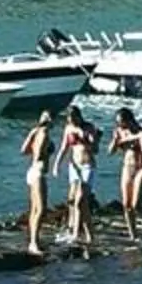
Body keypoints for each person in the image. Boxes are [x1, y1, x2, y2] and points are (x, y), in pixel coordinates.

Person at [53, 108, 98, 254]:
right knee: (72, 200)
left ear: (79, 117)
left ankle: (82, 234)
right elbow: (64, 148)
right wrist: (56, 165)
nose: (72, 122)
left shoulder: (88, 128)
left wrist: (88, 138)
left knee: (80, 200)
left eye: (74, 119)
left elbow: (95, 149)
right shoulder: (68, 128)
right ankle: (79, 231)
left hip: (87, 166)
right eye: (69, 119)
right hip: (74, 167)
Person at [109, 109, 142, 238]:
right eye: (118, 123)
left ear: (129, 120)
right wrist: (116, 140)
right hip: (127, 168)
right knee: (126, 205)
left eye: (122, 122)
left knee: (135, 205)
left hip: (140, 168)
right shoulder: (119, 132)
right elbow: (110, 152)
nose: (120, 125)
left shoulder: (140, 132)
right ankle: (133, 234)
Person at [21, 113, 55, 256]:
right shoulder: (44, 132)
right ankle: (33, 243)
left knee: (34, 209)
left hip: (32, 171)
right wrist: (44, 152)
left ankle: (33, 239)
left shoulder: (34, 131)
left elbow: (24, 150)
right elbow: (40, 153)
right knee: (40, 209)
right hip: (38, 171)